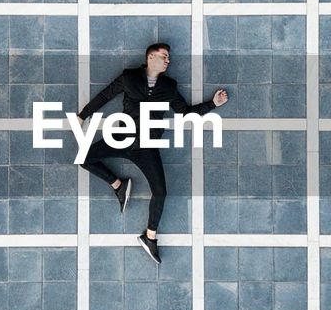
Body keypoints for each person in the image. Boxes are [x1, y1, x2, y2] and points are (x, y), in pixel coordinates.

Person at [76, 42, 229, 264]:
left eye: (168, 58)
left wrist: (212, 104)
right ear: (150, 57)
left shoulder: (168, 86)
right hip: (122, 137)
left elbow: (185, 113)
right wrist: (83, 115)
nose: (168, 61)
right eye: (164, 56)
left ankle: (149, 237)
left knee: (161, 192)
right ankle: (119, 185)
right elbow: (105, 95)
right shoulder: (129, 78)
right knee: (83, 158)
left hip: (147, 146)